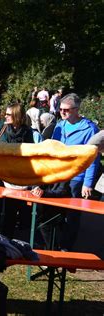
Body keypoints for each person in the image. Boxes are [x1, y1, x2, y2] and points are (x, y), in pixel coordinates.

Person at [51, 93, 100, 250]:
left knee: (72, 216)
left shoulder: (90, 129)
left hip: (77, 179)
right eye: (61, 109)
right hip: (59, 175)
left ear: (77, 109)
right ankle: (53, 245)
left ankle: (66, 248)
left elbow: (93, 159)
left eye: (67, 110)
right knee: (54, 213)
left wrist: (88, 183)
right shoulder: (59, 126)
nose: (63, 112)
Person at [0, 103, 34, 238]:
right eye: (5, 114)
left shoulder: (27, 132)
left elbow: (31, 154)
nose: (5, 116)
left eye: (8, 114)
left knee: (11, 209)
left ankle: (6, 240)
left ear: (17, 116)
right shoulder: (2, 126)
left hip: (14, 174)